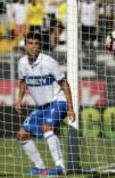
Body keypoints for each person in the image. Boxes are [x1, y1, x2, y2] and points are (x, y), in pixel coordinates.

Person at [15, 32, 76, 175]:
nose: (33, 46)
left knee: (46, 127)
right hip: (42, 106)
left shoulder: (49, 62)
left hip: (58, 101)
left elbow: (64, 83)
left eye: (37, 43)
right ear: (25, 46)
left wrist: (70, 108)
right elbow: (23, 81)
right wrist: (19, 99)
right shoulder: (22, 63)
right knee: (22, 134)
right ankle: (40, 167)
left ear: (41, 46)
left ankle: (60, 167)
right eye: (30, 43)